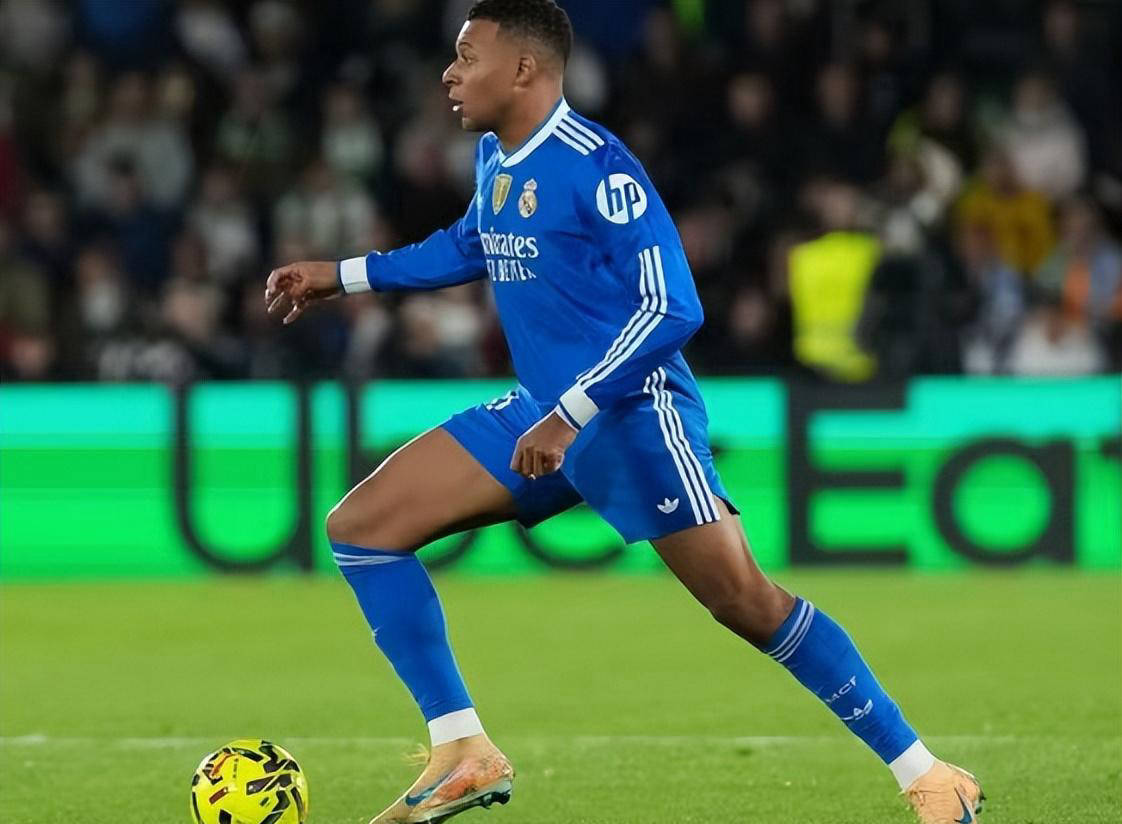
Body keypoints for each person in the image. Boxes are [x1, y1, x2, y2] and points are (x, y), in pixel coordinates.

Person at [263, 2, 984, 822]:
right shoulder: (497, 155)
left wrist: (572, 411)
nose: (449, 74)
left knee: (746, 602)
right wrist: (343, 275)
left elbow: (673, 307)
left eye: (467, 56)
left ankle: (928, 775)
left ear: (524, 69)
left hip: (632, 417)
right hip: (541, 412)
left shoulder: (598, 169)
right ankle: (462, 748)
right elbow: (471, 242)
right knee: (362, 526)